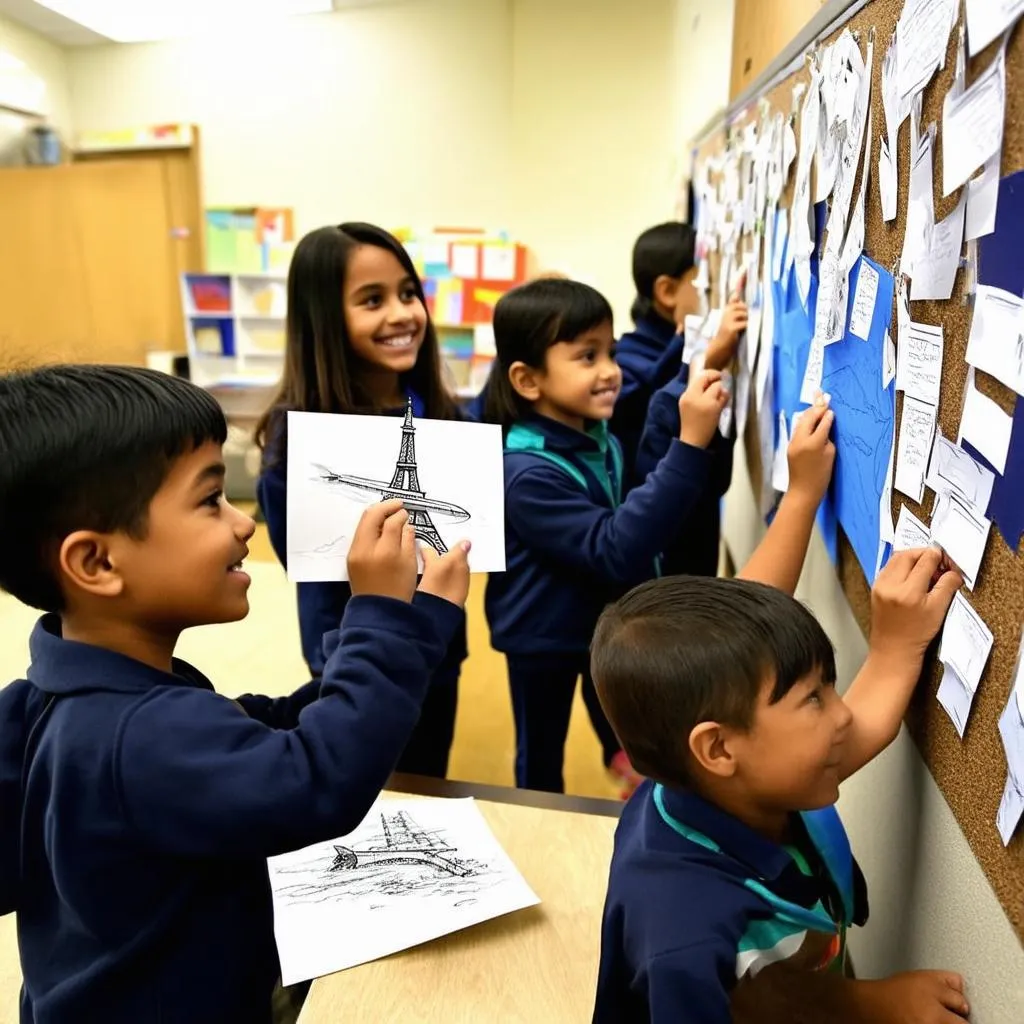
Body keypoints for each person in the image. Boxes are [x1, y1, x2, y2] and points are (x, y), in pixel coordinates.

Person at [0, 364, 471, 1024]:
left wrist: (405, 627)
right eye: (210, 500)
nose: (243, 524)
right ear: (97, 563)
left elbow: (266, 731)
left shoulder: (62, 695)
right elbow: (317, 781)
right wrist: (385, 621)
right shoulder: (140, 734)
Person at [482, 277, 835, 795]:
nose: (610, 371)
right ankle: (535, 813)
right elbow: (615, 547)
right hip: (542, 638)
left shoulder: (588, 434)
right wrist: (690, 443)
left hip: (595, 626)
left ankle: (630, 781)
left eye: (609, 352)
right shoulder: (525, 473)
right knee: (541, 754)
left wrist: (700, 374)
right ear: (528, 380)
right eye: (587, 357)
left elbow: (643, 484)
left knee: (619, 727)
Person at [589, 552, 969, 1024]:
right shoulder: (685, 947)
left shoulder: (710, 784)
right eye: (813, 698)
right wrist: (875, 1006)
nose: (843, 714)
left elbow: (858, 728)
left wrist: (894, 648)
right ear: (718, 749)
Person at [255, 222, 467, 779]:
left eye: (407, 293)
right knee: (362, 779)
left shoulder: (441, 412)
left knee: (426, 772)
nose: (401, 314)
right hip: (349, 650)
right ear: (323, 317)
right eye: (372, 300)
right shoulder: (294, 446)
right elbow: (303, 560)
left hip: (440, 641)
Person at [611, 221, 747, 483]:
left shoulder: (675, 345)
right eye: (705, 284)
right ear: (667, 291)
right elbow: (659, 423)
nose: (713, 295)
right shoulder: (628, 364)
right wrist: (708, 365)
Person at [634, 287, 749, 577]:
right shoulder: (657, 404)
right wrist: (707, 368)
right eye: (587, 356)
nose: (610, 371)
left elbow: (714, 483)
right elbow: (661, 517)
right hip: (677, 586)